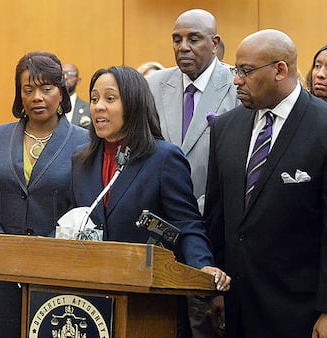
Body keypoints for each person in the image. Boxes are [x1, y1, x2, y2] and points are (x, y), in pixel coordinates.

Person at [205, 29, 327, 338]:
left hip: (300, 314)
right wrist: (215, 291)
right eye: (236, 70)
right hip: (236, 309)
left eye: (245, 71)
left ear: (280, 70)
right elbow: (217, 217)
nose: (236, 80)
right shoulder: (225, 128)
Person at [71, 66, 230, 338]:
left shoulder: (163, 158)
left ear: (133, 104)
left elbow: (187, 222)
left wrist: (202, 266)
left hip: (150, 302)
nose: (98, 107)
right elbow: (72, 219)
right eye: (94, 98)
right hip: (92, 298)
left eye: (110, 99)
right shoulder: (80, 160)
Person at [0, 51, 89, 338]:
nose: (37, 97)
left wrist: (43, 250)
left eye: (47, 89)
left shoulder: (84, 142)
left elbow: (86, 208)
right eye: (28, 89)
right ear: (19, 94)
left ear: (61, 92)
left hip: (58, 268)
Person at [145, 9, 238, 337]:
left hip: (214, 232)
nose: (183, 46)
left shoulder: (237, 85)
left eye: (193, 39)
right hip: (157, 233)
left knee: (207, 326)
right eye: (176, 39)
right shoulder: (153, 85)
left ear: (215, 44)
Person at [62, 63, 91, 128]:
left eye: (71, 74)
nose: (65, 77)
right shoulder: (51, 106)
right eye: (62, 74)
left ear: (78, 81)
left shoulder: (88, 109)